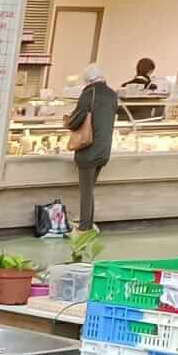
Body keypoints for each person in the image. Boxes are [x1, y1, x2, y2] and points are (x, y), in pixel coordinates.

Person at [66, 65, 116, 233]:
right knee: (90, 188)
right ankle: (88, 222)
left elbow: (76, 120)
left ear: (88, 80)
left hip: (89, 149)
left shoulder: (89, 93)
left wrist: (67, 122)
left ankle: (84, 228)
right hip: (104, 149)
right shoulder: (112, 94)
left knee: (86, 191)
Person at [119, 55, 164, 121]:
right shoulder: (151, 87)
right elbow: (158, 106)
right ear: (150, 71)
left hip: (123, 122)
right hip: (143, 122)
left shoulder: (124, 85)